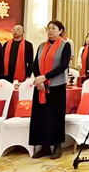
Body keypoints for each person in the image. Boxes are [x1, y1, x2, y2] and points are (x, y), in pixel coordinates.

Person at [29, 20, 71, 159]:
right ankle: (44, 146)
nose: (51, 31)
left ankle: (57, 146)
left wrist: (45, 77)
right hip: (41, 87)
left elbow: (63, 66)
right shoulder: (41, 46)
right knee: (41, 116)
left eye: (54, 28)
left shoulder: (65, 45)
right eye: (49, 28)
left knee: (55, 116)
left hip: (56, 86)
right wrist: (39, 79)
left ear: (60, 31)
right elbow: (35, 64)